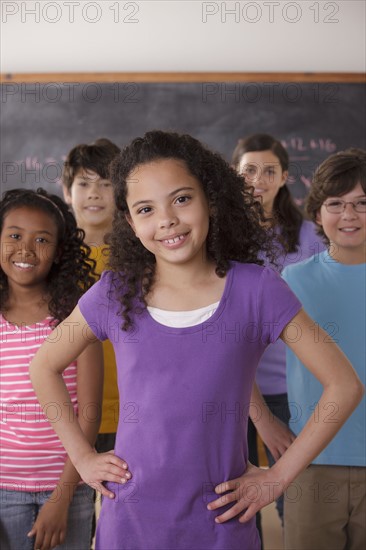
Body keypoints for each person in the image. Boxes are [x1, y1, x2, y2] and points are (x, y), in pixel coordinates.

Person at [29, 131, 363, 550]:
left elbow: (344, 385)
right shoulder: (116, 292)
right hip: (129, 522)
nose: (166, 219)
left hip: (221, 524)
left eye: (181, 199)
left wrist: (278, 478)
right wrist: (81, 457)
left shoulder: (256, 289)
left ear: (210, 198)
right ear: (131, 223)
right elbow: (43, 366)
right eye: (146, 209)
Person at [231, 133, 325, 534]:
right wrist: (261, 417)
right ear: (235, 176)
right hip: (232, 391)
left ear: (284, 176)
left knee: (295, 501)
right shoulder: (221, 238)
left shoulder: (310, 238)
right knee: (235, 502)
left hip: (294, 387)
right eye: (249, 170)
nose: (259, 179)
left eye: (270, 170)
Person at [0, 188, 103, 550]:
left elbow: (89, 416)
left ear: (59, 252)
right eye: (14, 235)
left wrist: (61, 498)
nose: (25, 249)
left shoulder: (76, 320)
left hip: (68, 489)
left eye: (41, 239)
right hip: (3, 490)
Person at [282, 148, 366, 550]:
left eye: (363, 203)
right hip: (312, 461)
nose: (349, 215)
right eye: (336, 203)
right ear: (317, 213)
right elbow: (236, 353)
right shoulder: (292, 279)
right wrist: (262, 419)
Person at [62, 138, 120, 454]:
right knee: (78, 502)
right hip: (69, 414)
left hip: (131, 412)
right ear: (67, 191)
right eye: (84, 183)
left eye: (106, 183)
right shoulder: (53, 257)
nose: (95, 193)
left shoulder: (141, 257)